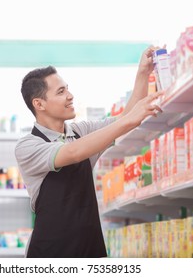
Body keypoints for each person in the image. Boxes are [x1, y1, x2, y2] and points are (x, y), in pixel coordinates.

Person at [15, 46, 164, 258]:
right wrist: (129, 120)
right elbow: (73, 152)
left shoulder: (79, 131)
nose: (70, 96)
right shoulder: (28, 146)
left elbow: (125, 120)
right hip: (50, 254)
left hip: (90, 248)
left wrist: (143, 73)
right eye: (61, 92)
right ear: (39, 104)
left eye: (67, 89)